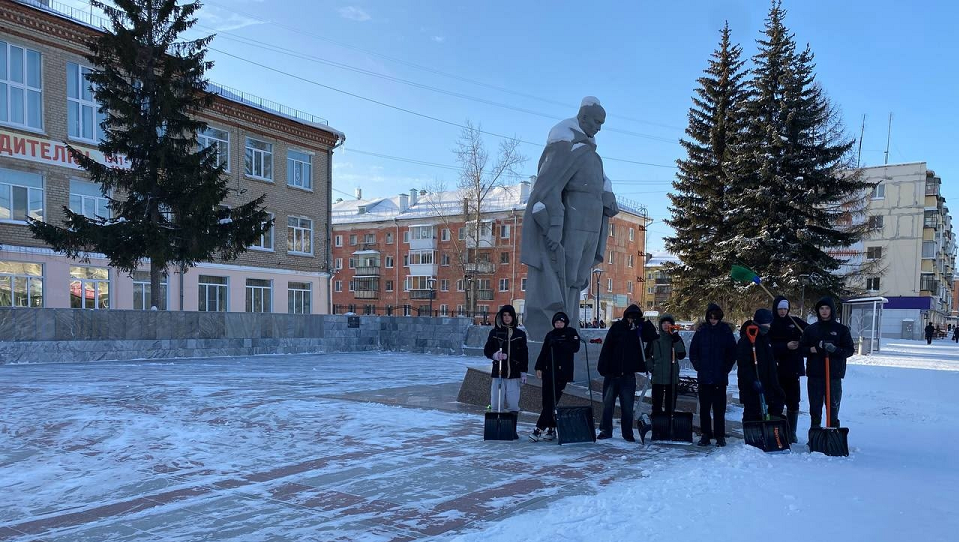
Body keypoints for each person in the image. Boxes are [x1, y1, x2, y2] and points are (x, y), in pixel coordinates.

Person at [520, 97, 619, 340]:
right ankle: (556, 327)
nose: (599, 128)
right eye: (596, 121)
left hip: (591, 223)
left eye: (602, 123)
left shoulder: (588, 150)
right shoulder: (564, 143)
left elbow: (601, 181)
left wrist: (607, 194)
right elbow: (547, 188)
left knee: (577, 279)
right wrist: (553, 224)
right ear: (583, 116)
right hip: (572, 222)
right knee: (563, 275)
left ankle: (571, 327)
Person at [596, 304, 650, 441]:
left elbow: (652, 335)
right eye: (630, 317)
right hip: (612, 374)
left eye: (635, 317)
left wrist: (643, 323)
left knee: (627, 406)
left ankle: (627, 433)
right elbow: (607, 347)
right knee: (607, 405)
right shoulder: (617, 327)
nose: (632, 319)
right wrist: (603, 367)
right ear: (626, 316)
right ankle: (605, 430)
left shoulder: (639, 330)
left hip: (628, 375)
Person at [800, 297, 854, 428]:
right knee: (815, 406)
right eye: (821, 308)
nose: (824, 311)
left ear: (832, 310)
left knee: (833, 406)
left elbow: (849, 350)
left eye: (827, 308)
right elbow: (801, 349)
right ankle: (815, 432)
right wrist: (813, 349)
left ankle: (833, 431)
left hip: (834, 375)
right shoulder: (811, 330)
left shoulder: (841, 329)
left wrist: (835, 349)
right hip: (815, 374)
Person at [689, 303, 737, 447]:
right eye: (711, 317)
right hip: (704, 378)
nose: (713, 320)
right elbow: (693, 351)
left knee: (719, 409)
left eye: (715, 317)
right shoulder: (701, 331)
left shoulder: (726, 331)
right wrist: (699, 367)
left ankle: (720, 436)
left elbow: (732, 353)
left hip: (719, 378)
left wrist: (725, 369)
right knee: (704, 409)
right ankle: (705, 435)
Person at [530, 312, 581, 441]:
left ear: (565, 323)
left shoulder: (571, 332)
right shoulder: (550, 335)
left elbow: (575, 347)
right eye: (556, 322)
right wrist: (539, 367)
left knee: (552, 401)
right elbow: (544, 351)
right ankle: (552, 428)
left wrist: (560, 343)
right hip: (548, 371)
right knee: (546, 401)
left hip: (562, 373)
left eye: (561, 322)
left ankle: (539, 428)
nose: (559, 324)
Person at [737, 309, 787, 425]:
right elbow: (744, 365)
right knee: (753, 410)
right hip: (752, 385)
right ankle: (752, 435)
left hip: (768, 383)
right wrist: (753, 381)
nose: (769, 326)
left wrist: (775, 383)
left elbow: (770, 363)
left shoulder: (766, 338)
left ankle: (771, 430)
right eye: (766, 323)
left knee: (778, 400)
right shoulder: (746, 340)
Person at [769, 296, 807, 443]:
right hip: (776, 369)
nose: (783, 311)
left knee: (793, 401)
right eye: (780, 309)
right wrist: (785, 346)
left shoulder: (795, 322)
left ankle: (791, 432)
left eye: (785, 308)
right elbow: (768, 347)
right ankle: (776, 431)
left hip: (793, 369)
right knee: (776, 401)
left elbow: (810, 333)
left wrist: (801, 343)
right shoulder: (771, 324)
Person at [483, 305, 529, 423]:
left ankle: (511, 428)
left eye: (509, 315)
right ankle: (496, 426)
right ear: (500, 317)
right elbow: (487, 350)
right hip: (498, 374)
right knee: (496, 402)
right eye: (504, 315)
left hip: (514, 374)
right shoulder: (495, 332)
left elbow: (524, 355)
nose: (507, 318)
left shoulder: (520, 334)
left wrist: (523, 372)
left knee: (513, 403)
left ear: (513, 317)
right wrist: (495, 355)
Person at [645, 313, 687, 418]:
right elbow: (647, 355)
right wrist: (652, 368)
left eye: (668, 323)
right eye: (664, 323)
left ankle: (669, 426)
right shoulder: (655, 339)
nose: (666, 325)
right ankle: (657, 427)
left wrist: (676, 339)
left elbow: (681, 355)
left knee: (671, 405)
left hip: (672, 377)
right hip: (658, 376)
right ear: (660, 324)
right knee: (656, 405)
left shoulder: (675, 339)